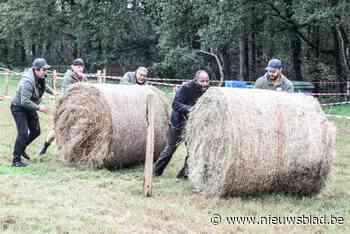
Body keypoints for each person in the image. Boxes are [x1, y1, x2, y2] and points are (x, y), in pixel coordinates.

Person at [154, 70, 210, 179]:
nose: (205, 84)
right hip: (178, 123)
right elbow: (175, 104)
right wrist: (191, 109)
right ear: (196, 79)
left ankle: (184, 175)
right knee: (170, 149)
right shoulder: (186, 88)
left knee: (192, 151)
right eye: (202, 81)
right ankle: (156, 172)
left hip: (192, 125)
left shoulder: (207, 90)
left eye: (207, 81)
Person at [10, 58, 54, 167]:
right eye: (44, 69)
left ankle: (22, 148)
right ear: (36, 70)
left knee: (36, 131)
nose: (46, 71)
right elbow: (24, 101)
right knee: (23, 133)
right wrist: (39, 108)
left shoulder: (40, 77)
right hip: (19, 107)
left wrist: (53, 92)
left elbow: (43, 86)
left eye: (46, 69)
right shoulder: (27, 81)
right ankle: (16, 161)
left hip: (30, 107)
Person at [37, 58, 86, 156]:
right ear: (73, 67)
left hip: (79, 107)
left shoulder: (83, 77)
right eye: (78, 67)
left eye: (81, 67)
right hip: (66, 106)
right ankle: (45, 147)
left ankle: (73, 150)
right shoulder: (68, 77)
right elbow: (66, 93)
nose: (80, 69)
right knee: (57, 129)